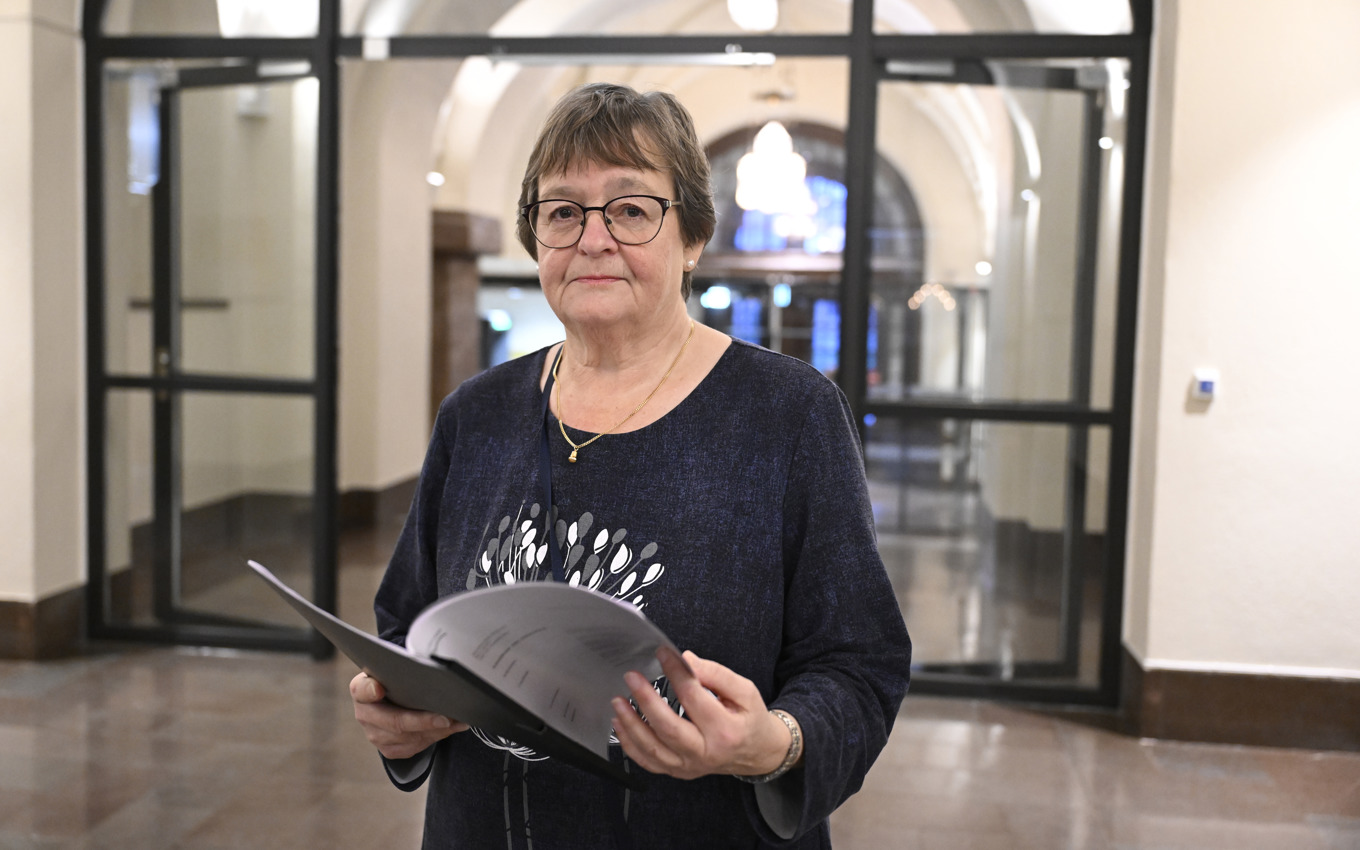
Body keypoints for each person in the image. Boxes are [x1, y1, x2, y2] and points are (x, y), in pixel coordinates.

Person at [350, 81, 911, 849]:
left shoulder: (788, 414)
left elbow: (857, 663)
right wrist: (396, 712)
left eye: (631, 209)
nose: (593, 238)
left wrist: (773, 741)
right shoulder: (475, 415)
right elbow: (408, 623)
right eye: (562, 212)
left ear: (692, 238)